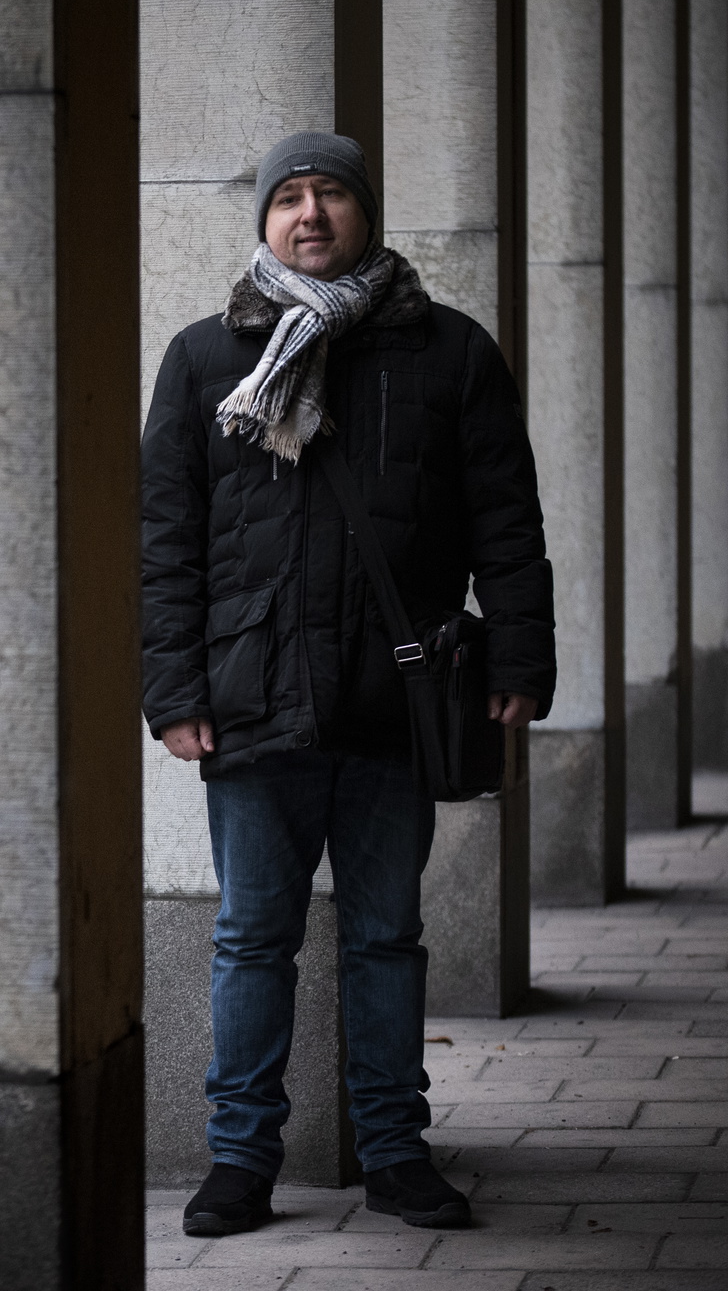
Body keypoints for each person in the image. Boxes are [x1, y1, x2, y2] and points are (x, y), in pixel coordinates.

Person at [141, 131, 556, 1236]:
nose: (310, 212)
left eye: (330, 193)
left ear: (366, 211)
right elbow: (164, 541)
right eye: (289, 196)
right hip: (249, 702)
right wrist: (172, 690)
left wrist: (519, 656)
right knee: (250, 939)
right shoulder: (202, 361)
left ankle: (393, 1151)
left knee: (387, 935)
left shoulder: (449, 353)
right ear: (263, 220)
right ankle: (240, 1160)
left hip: (394, 699)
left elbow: (506, 523)